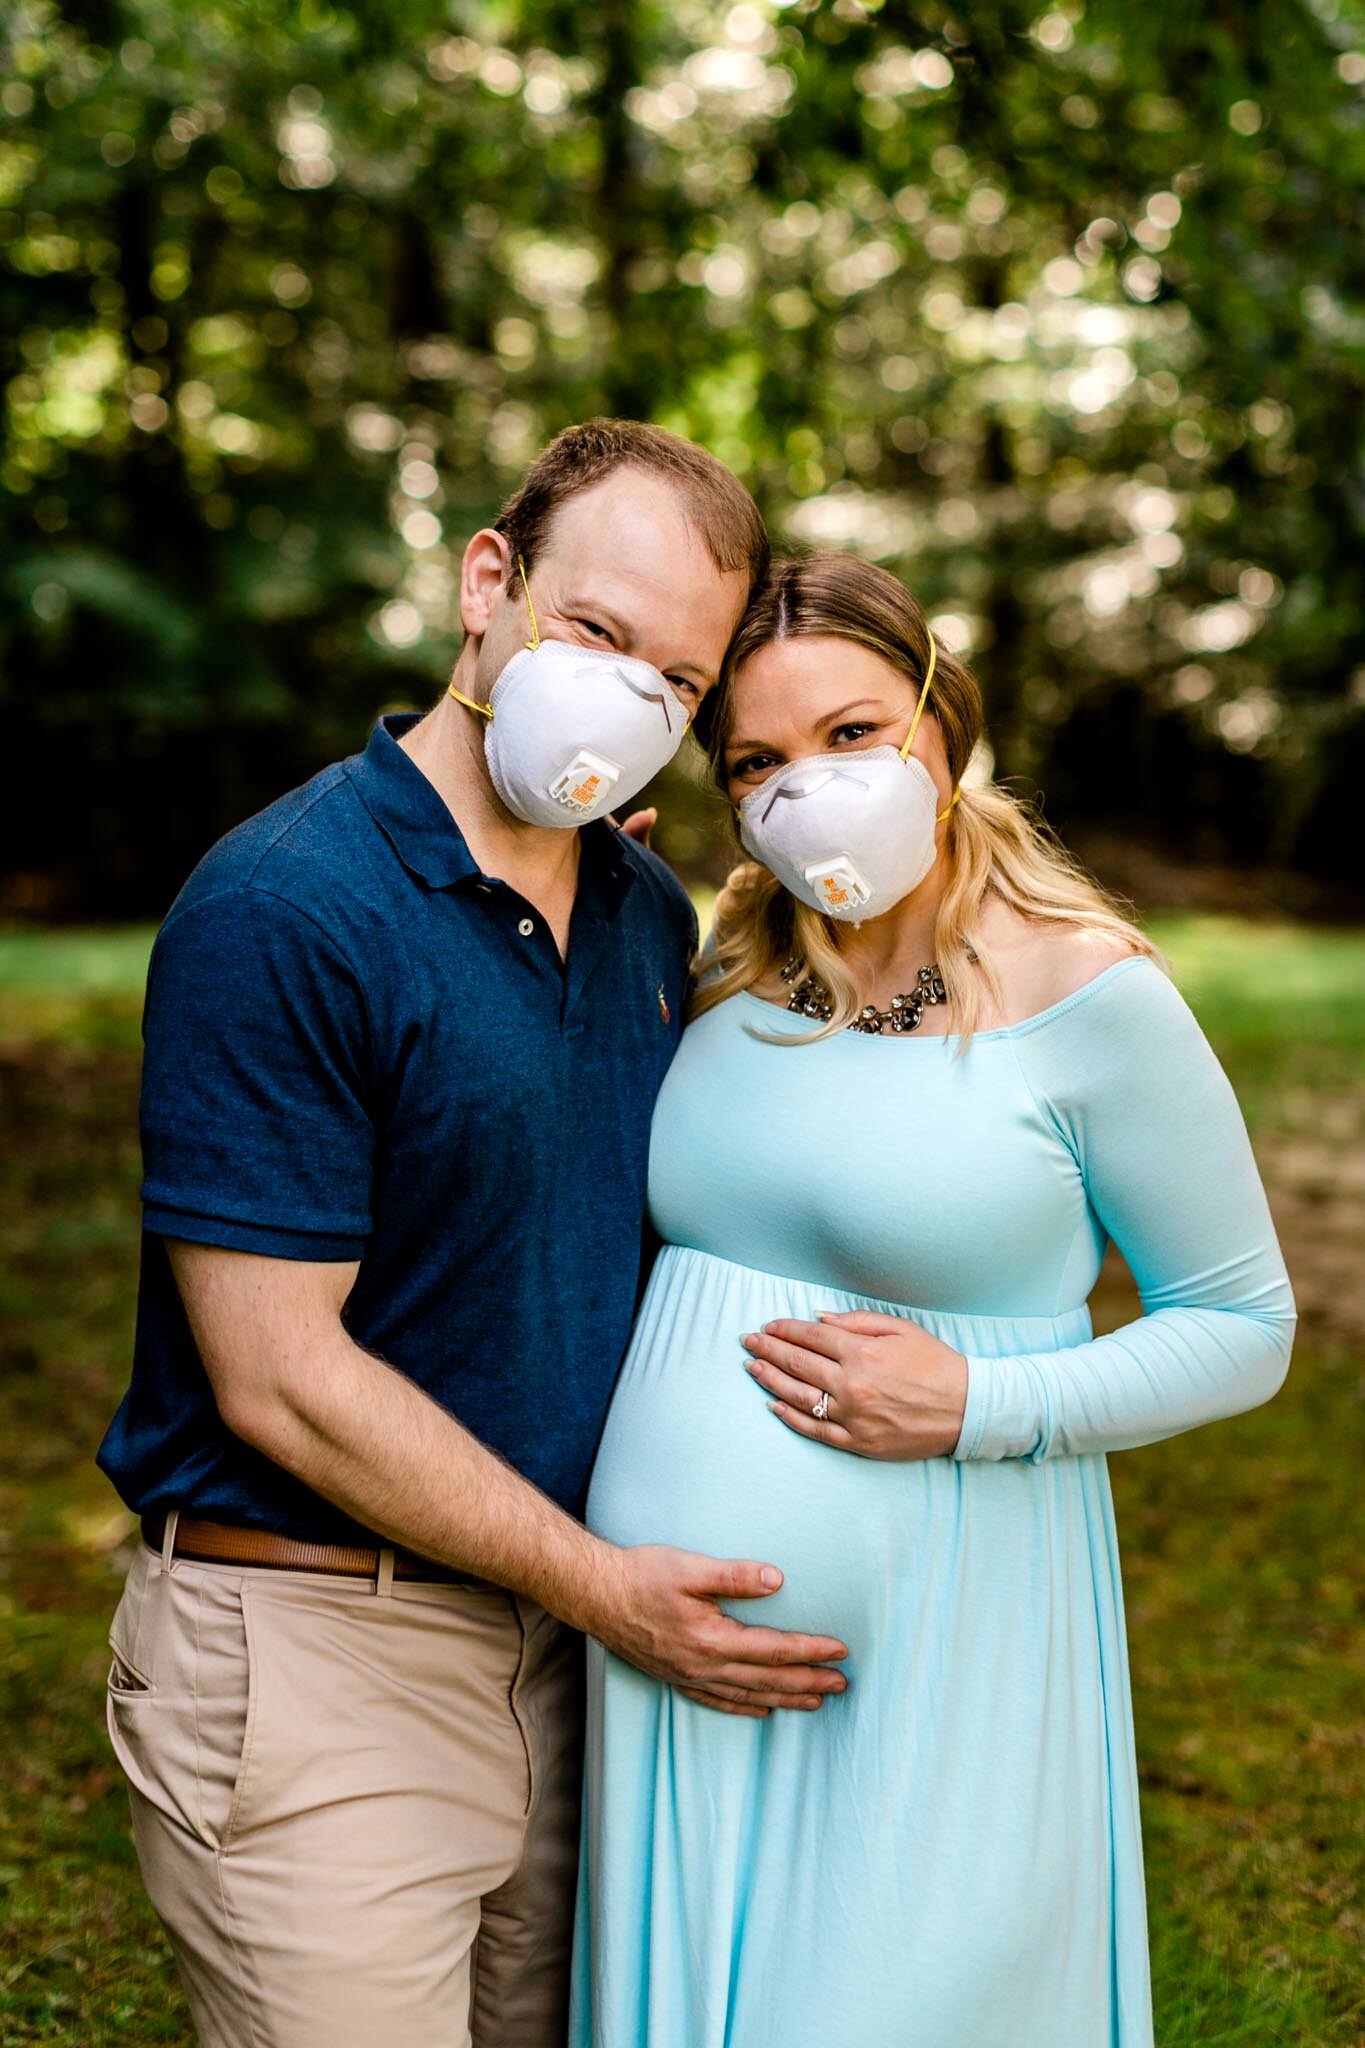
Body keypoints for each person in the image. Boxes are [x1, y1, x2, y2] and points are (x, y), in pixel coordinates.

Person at [96, 423, 853, 2048]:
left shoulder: (647, 914)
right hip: (320, 1652)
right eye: (595, 636)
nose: (627, 699)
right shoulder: (283, 909)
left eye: (675, 677)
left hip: (577, 1666)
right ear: (487, 582)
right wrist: (604, 1587)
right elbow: (277, 1381)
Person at [573, 553, 1296, 2048]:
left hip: (952, 1637)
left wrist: (984, 1405)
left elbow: (1243, 1325)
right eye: (757, 761)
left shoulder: (1089, 993)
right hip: (672, 1670)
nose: (807, 790)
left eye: (850, 734)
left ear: (940, 724)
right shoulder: (723, 965)